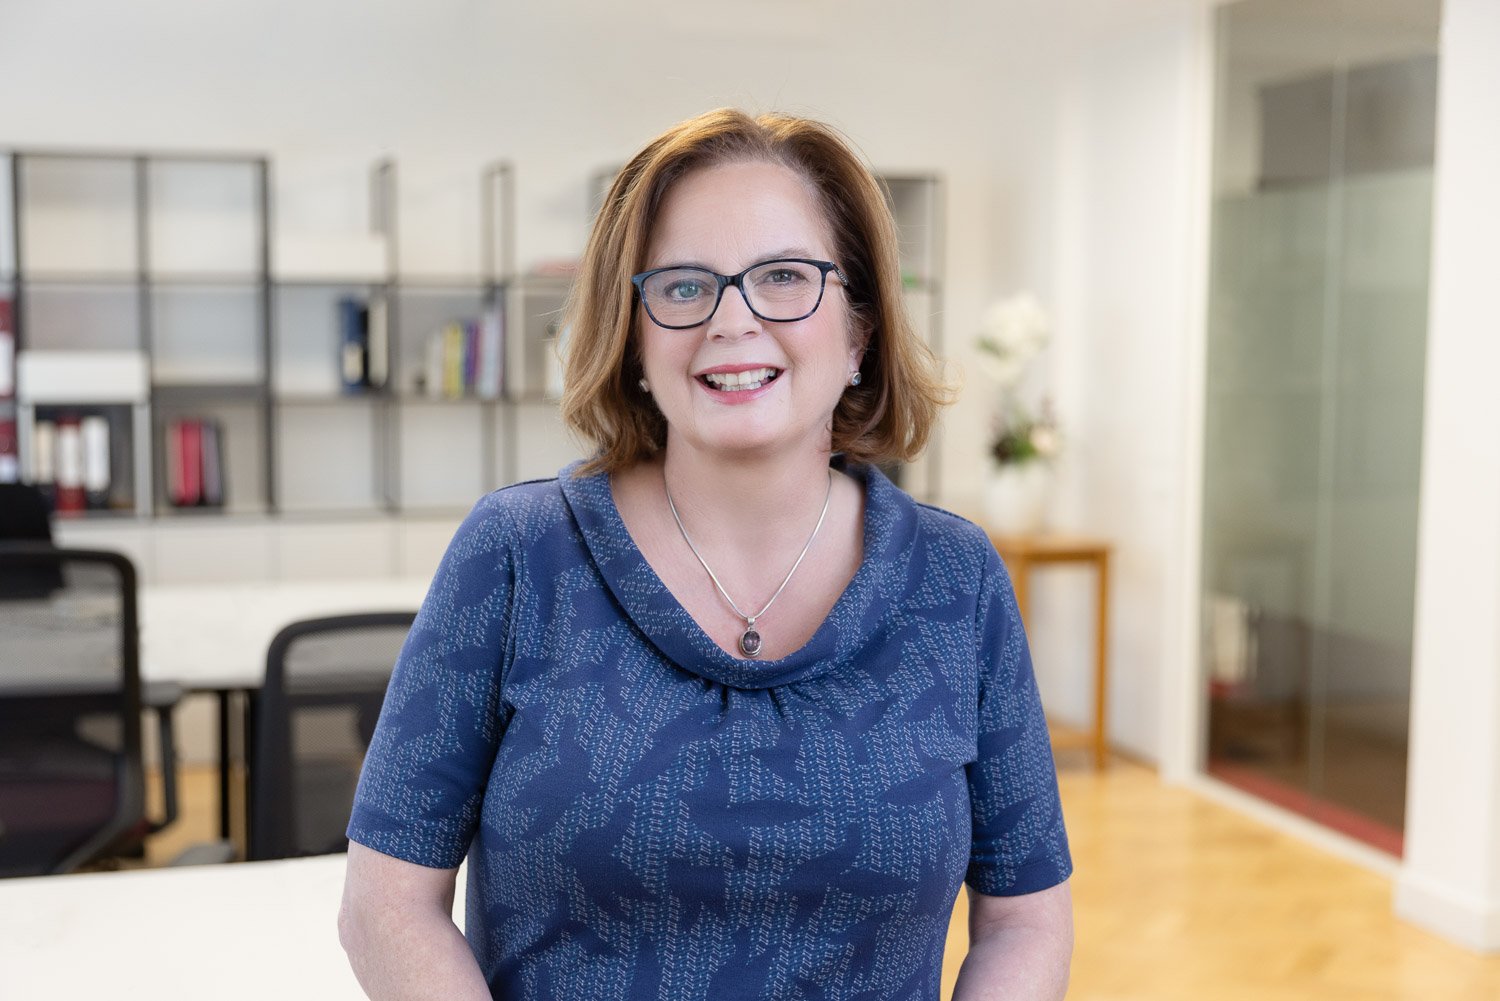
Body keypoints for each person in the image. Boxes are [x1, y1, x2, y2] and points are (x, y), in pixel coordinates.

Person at [339, 108, 1073, 1000]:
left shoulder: (958, 580)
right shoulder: (516, 556)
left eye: (784, 276)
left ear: (860, 332)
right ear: (637, 337)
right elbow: (386, 906)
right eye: (686, 286)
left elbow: (1026, 919)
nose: (734, 319)